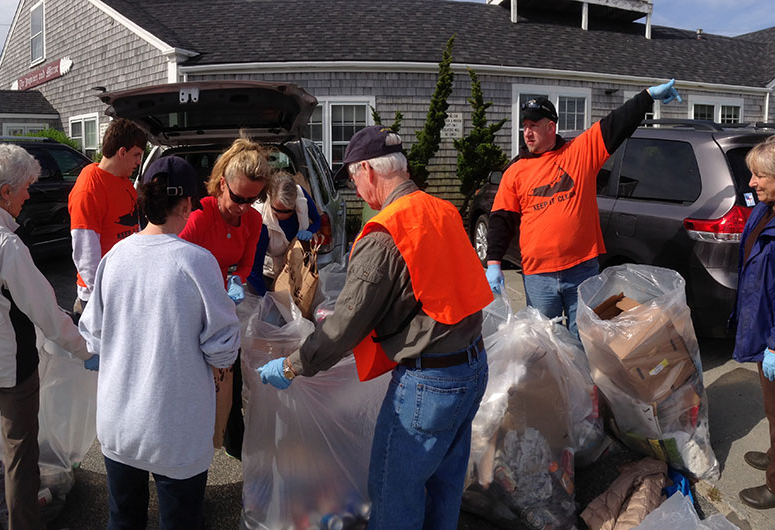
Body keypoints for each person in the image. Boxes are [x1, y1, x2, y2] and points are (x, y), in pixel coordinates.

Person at [257, 126, 493, 530]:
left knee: (393, 490)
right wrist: (365, 313)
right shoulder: (442, 209)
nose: (353, 186)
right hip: (471, 366)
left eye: (352, 176)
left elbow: (346, 326)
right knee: (444, 483)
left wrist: (293, 365)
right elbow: (429, 287)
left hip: (429, 384)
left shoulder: (386, 231)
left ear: (367, 168)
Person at [78, 156, 241, 529]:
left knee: (123, 519)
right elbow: (222, 348)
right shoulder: (197, 262)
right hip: (174, 428)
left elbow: (92, 336)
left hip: (119, 422)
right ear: (185, 205)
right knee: (180, 521)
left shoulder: (114, 257)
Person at [485, 80, 682, 334]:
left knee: (585, 340)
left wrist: (646, 97)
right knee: (548, 344)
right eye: (524, 126)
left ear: (551, 127)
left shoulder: (579, 152)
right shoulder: (516, 171)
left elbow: (615, 125)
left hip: (582, 270)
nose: (527, 132)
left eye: (533, 125)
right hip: (538, 276)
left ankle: (582, 376)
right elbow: (502, 219)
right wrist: (493, 263)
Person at [0, 144, 94, 530]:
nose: (31, 193)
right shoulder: (4, 244)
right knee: (20, 453)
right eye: (26, 186)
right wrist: (84, 349)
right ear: (6, 192)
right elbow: (45, 313)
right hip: (11, 364)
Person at [179, 136, 270, 460]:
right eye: (238, 197)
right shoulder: (199, 216)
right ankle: (190, 441)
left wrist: (235, 280)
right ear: (221, 185)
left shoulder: (254, 219)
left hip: (224, 304)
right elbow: (175, 263)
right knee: (193, 378)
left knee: (229, 372)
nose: (245, 206)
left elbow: (246, 263)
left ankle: (234, 439)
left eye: (253, 199)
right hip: (191, 304)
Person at [732, 136, 775, 510]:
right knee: (771, 405)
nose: (751, 183)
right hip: (766, 329)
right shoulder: (767, 210)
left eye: (759, 176)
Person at [68, 118, 147, 318]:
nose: (139, 162)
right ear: (122, 152)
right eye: (136, 155)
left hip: (126, 288)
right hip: (102, 296)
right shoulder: (89, 189)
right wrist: (102, 298)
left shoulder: (124, 181)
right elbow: (85, 253)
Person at [247, 170, 322, 295]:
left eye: (288, 211)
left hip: (297, 269)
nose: (282, 216)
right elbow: (254, 270)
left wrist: (310, 230)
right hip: (267, 275)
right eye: (277, 210)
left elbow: (317, 220)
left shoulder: (300, 194)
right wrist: (268, 297)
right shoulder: (262, 221)